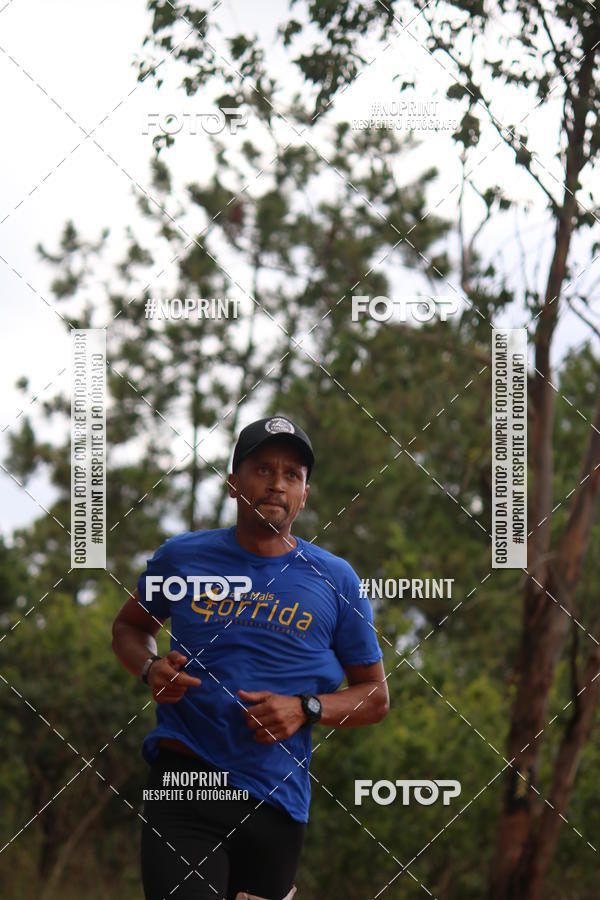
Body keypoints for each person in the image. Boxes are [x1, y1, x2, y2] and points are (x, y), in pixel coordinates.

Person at [112, 415, 390, 900]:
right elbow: (130, 629)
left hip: (277, 798)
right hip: (186, 783)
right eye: (263, 469)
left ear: (304, 494)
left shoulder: (336, 580)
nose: (277, 484)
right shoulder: (182, 559)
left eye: (292, 475)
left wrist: (306, 708)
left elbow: (375, 696)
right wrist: (150, 667)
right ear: (233, 482)